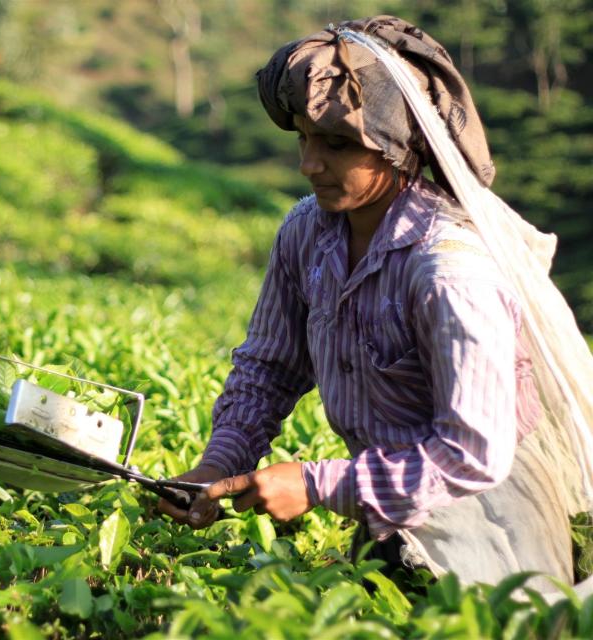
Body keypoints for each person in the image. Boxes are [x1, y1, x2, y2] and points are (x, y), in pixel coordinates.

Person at [158, 16, 581, 587]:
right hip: (381, 517)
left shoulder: (448, 271)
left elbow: (473, 454)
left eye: (337, 144)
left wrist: (314, 484)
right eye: (305, 139)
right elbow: (270, 368)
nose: (310, 164)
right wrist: (218, 465)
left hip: (490, 534)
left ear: (397, 147)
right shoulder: (307, 232)